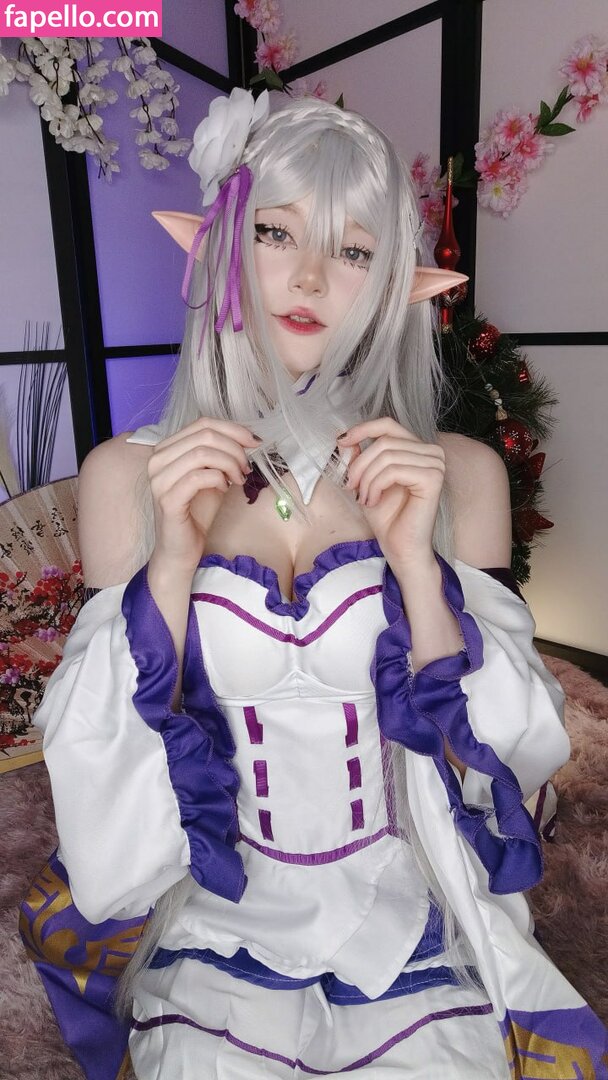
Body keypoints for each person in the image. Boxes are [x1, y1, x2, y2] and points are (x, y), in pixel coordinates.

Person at [20, 89, 607, 1080]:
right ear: (219, 246)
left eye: (352, 249)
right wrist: (172, 559)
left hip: (406, 909)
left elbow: (508, 757)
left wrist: (417, 564)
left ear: (393, 282)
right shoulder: (129, 475)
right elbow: (104, 765)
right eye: (274, 232)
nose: (306, 277)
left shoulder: (458, 472)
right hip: (214, 916)